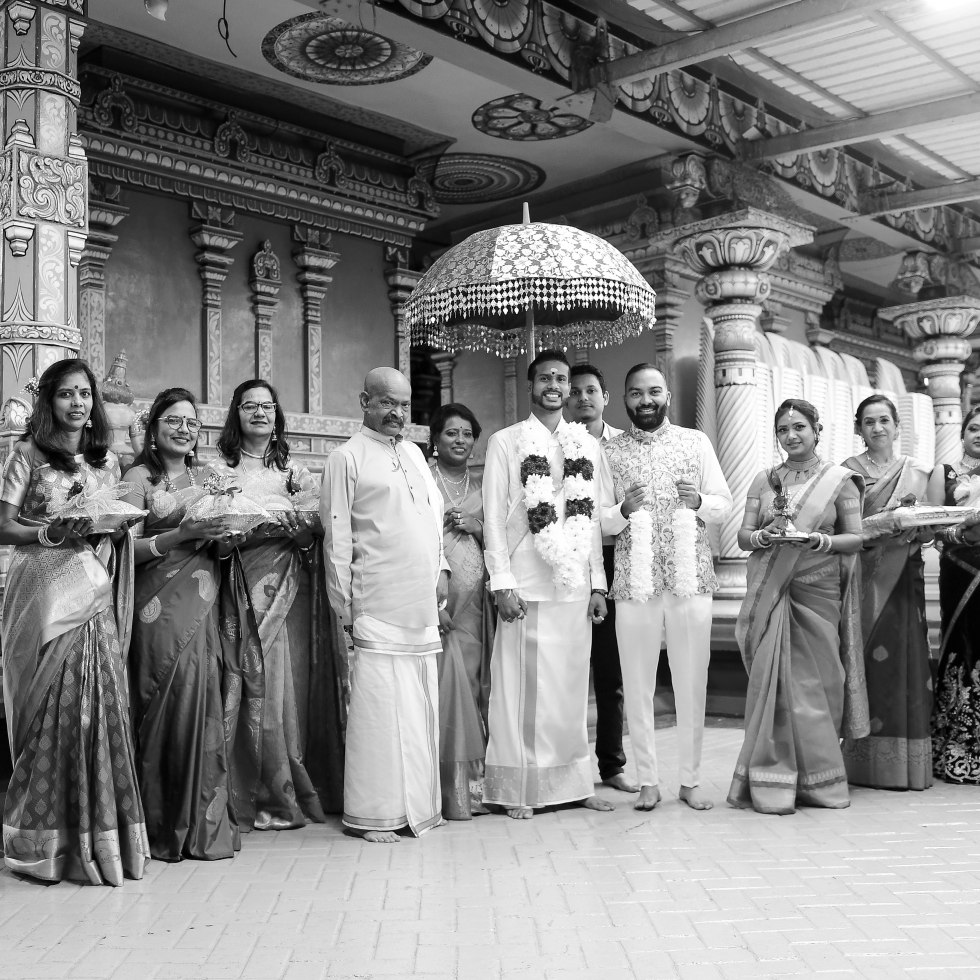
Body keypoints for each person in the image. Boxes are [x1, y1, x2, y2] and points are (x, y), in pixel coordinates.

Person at [0, 358, 150, 884]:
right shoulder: (26, 455)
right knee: (50, 707)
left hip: (91, 587)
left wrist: (113, 529)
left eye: (85, 393)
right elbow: (3, 526)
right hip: (42, 591)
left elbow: (112, 525)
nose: (78, 403)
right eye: (67, 393)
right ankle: (41, 841)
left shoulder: (106, 462)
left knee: (97, 704)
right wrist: (48, 533)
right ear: (49, 401)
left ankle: (98, 836)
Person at [482, 349, 614, 820]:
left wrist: (598, 584)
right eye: (545, 378)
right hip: (526, 584)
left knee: (570, 689)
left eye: (561, 378)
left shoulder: (586, 445)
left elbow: (591, 520)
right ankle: (521, 788)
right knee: (523, 691)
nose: (554, 385)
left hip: (573, 585)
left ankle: (574, 785)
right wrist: (502, 583)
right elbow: (494, 518)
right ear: (530, 386)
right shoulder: (506, 441)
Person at [320, 367, 449, 842]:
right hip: (374, 602)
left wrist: (441, 569)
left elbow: (432, 517)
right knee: (378, 711)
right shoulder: (345, 457)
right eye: (387, 402)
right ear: (364, 401)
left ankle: (419, 807)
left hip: (420, 603)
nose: (398, 413)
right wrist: (344, 608)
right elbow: (337, 538)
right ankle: (372, 814)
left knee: (418, 704)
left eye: (404, 405)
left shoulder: (414, 453)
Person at [600, 364, 732, 811]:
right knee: (637, 680)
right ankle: (648, 781)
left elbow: (723, 504)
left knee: (692, 678)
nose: (646, 400)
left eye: (654, 391)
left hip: (689, 578)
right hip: (632, 581)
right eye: (636, 393)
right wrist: (622, 510)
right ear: (625, 399)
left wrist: (699, 502)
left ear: (667, 396)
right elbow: (598, 519)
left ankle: (691, 781)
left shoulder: (696, 442)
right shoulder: (610, 451)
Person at [728, 399, 868, 814]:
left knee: (816, 687)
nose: (791, 436)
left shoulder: (839, 481)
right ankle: (771, 779)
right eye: (783, 430)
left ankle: (819, 781)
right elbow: (743, 535)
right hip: (774, 592)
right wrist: (762, 537)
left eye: (799, 427)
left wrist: (820, 540)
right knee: (771, 684)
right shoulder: (764, 480)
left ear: (817, 430)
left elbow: (856, 539)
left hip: (817, 592)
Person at [123, 387, 242, 861]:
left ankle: (199, 824)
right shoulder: (136, 478)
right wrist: (180, 534)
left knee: (199, 698)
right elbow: (122, 551)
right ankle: (157, 823)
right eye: (173, 419)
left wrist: (228, 537)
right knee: (158, 702)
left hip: (201, 601)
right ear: (154, 428)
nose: (183, 428)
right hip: (153, 609)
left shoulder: (211, 477)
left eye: (191, 422)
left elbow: (221, 548)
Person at [212, 379, 334, 831]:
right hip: (237, 585)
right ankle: (238, 789)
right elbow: (214, 535)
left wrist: (297, 531)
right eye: (249, 406)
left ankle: (283, 789)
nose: (259, 413)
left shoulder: (295, 473)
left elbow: (313, 533)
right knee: (240, 678)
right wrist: (240, 533)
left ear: (277, 415)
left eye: (266, 406)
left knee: (284, 687)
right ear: (236, 414)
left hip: (287, 589)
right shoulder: (219, 471)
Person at [840, 395, 935, 791]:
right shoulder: (846, 473)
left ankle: (906, 767)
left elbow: (929, 531)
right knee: (865, 662)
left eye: (884, 421)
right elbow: (843, 528)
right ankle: (862, 762)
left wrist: (920, 529)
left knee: (905, 661)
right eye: (869, 422)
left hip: (904, 577)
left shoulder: (918, 472)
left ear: (897, 426)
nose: (877, 428)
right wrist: (884, 522)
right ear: (858, 428)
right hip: (862, 577)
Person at [566, 364, 636, 794]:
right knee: (566, 666)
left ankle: (612, 764)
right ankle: (566, 764)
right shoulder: (553, 444)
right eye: (574, 391)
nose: (583, 398)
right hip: (566, 561)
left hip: (614, 559)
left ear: (606, 397)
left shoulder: (624, 446)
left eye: (591, 390)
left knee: (611, 669)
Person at [428, 402, 491, 819]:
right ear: (435, 439)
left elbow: (503, 541)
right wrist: (432, 601)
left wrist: (478, 527)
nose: (460, 440)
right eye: (452, 432)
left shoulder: (485, 486)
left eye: (467, 433)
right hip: (436, 602)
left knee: (471, 683)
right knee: (441, 686)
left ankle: (472, 786)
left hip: (475, 608)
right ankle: (437, 788)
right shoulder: (421, 481)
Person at [930, 405, 980, 784]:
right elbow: (931, 527)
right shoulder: (943, 473)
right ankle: (954, 747)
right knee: (961, 642)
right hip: (959, 569)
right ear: (962, 433)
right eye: (974, 428)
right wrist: (961, 531)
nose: (979, 435)